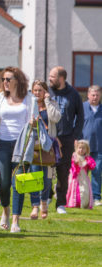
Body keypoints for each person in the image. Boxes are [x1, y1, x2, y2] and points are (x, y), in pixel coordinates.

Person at [0, 67, 38, 232]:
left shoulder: (29, 99)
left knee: (18, 183)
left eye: (8, 79)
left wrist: (34, 123)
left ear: (17, 81)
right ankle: (5, 210)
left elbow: (35, 119)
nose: (5, 82)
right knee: (3, 183)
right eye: (3, 79)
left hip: (21, 144)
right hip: (2, 144)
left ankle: (15, 221)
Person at [48, 66, 85, 214]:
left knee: (63, 172)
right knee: (47, 169)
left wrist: (75, 135)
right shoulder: (47, 92)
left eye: (52, 76)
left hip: (66, 138)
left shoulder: (74, 94)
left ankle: (60, 203)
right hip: (49, 137)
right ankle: (47, 195)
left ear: (61, 79)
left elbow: (80, 117)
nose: (49, 79)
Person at [29, 80, 61, 219]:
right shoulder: (30, 105)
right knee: (34, 176)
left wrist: (47, 102)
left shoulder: (52, 103)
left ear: (45, 92)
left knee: (47, 178)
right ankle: (35, 206)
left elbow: (56, 118)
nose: (37, 93)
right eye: (35, 90)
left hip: (48, 147)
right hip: (34, 145)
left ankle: (44, 203)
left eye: (40, 90)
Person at [83, 85, 102, 207]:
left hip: (99, 146)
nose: (95, 97)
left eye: (97, 95)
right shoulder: (82, 107)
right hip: (83, 146)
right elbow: (77, 124)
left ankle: (96, 197)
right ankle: (81, 196)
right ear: (88, 95)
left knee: (96, 171)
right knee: (81, 172)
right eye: (93, 95)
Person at [66, 140, 96, 209]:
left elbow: (92, 166)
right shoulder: (74, 155)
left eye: (83, 148)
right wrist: (75, 164)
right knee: (74, 188)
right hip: (75, 176)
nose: (81, 150)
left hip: (84, 177)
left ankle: (84, 203)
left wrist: (89, 163)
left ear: (86, 150)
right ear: (77, 148)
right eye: (79, 148)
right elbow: (72, 165)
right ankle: (74, 203)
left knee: (84, 190)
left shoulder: (87, 158)